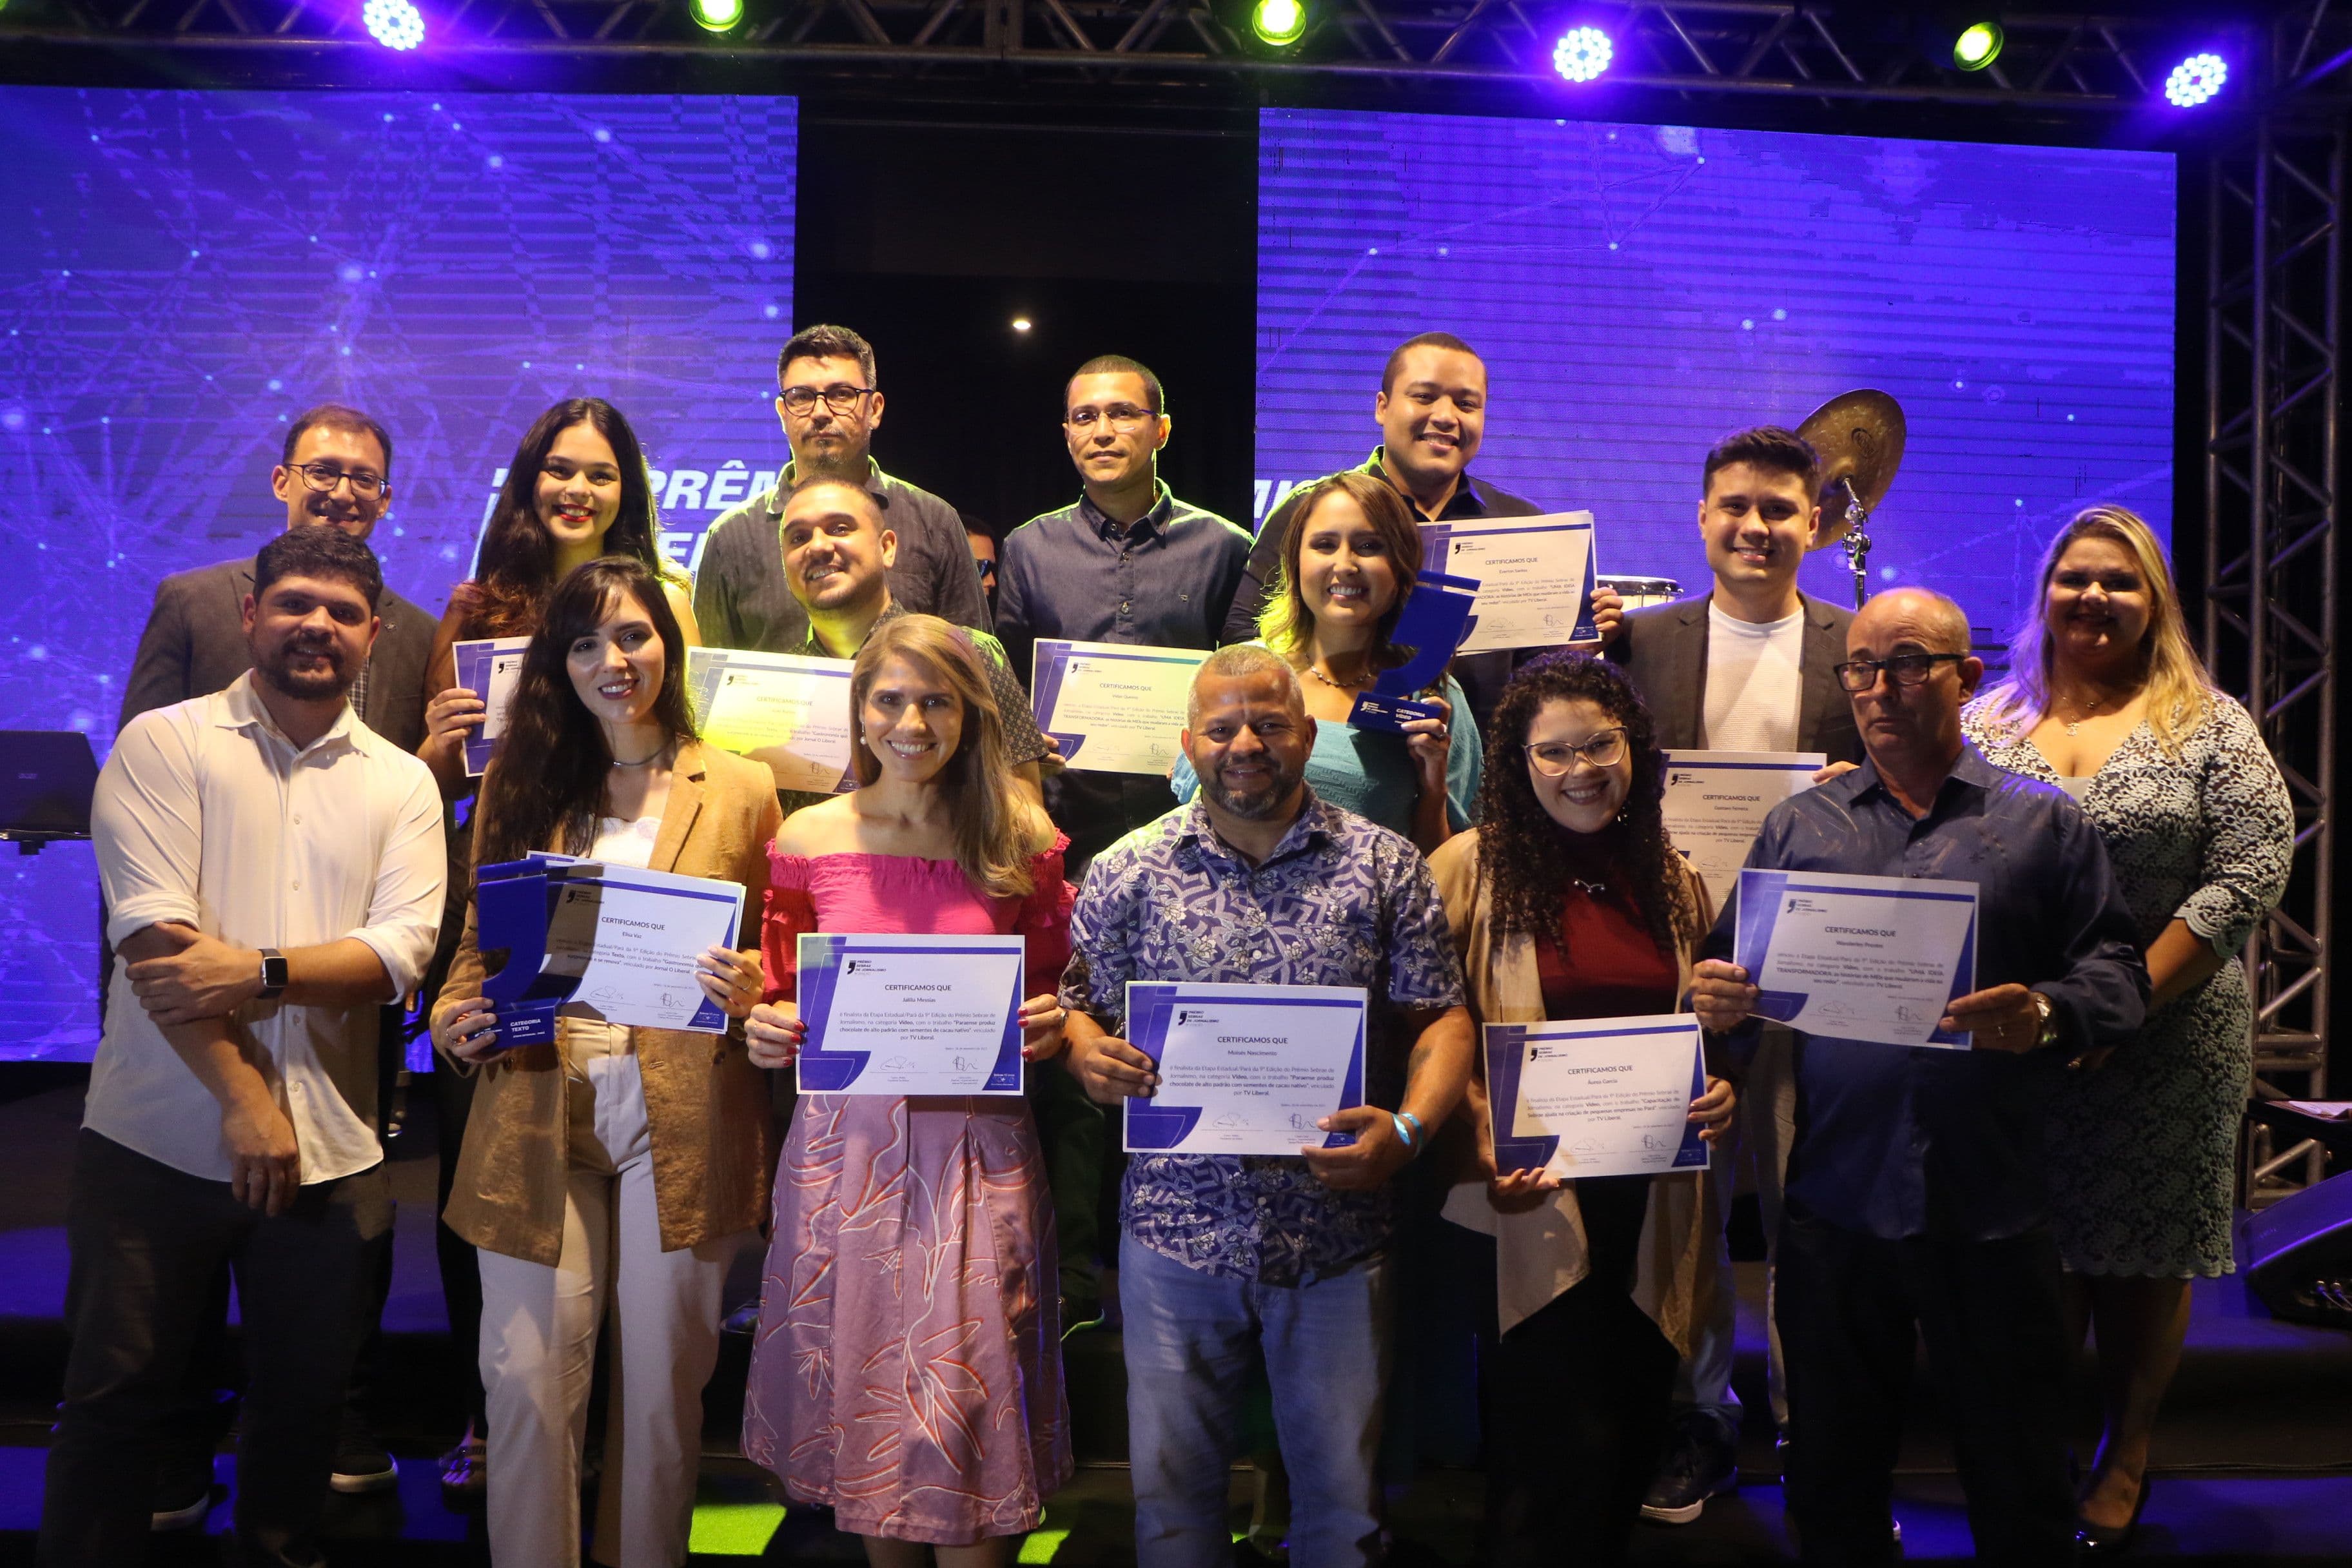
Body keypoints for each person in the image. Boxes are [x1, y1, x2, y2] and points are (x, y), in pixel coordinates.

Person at [1689, 587, 2148, 1565]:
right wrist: (1719, 1012)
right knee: (1832, 1483)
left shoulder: (2043, 827)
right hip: (1835, 1208)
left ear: (1965, 678)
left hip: (1991, 1204)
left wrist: (2044, 1015)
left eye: (1906, 663)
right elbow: (1728, 991)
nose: (1880, 688)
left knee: (2020, 1481)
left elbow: (2119, 977)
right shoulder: (1798, 829)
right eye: (1861, 666)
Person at [44, 525, 444, 1568]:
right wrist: (245, 1101)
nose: (317, 624)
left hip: (336, 1151)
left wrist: (258, 968)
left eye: (343, 611)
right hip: (153, 1145)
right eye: (296, 602)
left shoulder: (402, 783)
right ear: (249, 614)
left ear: (374, 633)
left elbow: (398, 952)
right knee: (115, 1399)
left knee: (301, 1413)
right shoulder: (162, 744)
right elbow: (156, 942)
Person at [1062, 645, 1476, 1568]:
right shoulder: (1126, 871)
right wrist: (1090, 1057)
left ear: (1307, 735)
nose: (1246, 743)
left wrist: (1407, 1134)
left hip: (1336, 1234)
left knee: (1343, 1516)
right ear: (1188, 744)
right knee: (1172, 1513)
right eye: (1222, 728)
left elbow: (1443, 1018)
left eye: (1270, 724)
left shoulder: (1384, 866)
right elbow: (1078, 1010)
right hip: (1174, 1235)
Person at [429, 556, 776, 1568]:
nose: (612, 660)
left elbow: (777, 950)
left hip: (684, 1104)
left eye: (632, 636)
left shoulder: (745, 787)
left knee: (665, 1400)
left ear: (669, 646)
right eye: (585, 642)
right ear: (559, 662)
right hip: (537, 1096)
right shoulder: (521, 784)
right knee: (530, 1391)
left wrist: (754, 981)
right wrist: (456, 1017)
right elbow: (472, 954)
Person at [1962, 505, 2293, 1553]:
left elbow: (2247, 872)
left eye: (2118, 581)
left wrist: (2117, 1004)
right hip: (2015, 1043)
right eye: (2073, 578)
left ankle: (2125, 1448)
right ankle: (2041, 1440)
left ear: (2154, 602)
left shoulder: (2207, 722)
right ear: (2043, 592)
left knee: (2140, 1262)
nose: (2092, 598)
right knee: (2034, 1255)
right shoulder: (1984, 721)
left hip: (2166, 1038)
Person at [738, 612, 1076, 1564]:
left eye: (936, 700)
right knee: (872, 1412)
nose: (912, 722)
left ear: (970, 715)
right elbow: (778, 996)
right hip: (847, 1160)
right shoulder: (807, 836)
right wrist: (765, 1030)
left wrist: (1050, 1023)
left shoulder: (1022, 834)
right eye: (890, 700)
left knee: (973, 1407)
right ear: (860, 712)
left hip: (977, 1157)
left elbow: (1052, 986)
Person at [415, 395, 700, 1499]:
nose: (577, 489)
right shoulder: (474, 607)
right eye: (558, 470)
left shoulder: (667, 603)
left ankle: (615, 1447)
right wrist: (441, 752)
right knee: (489, 1168)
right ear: (528, 482)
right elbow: (435, 782)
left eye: (600, 471)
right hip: (508, 893)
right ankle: (497, 1422)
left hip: (638, 923)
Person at [1605, 424, 1863, 1524]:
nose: (1753, 527)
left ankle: (1819, 1430)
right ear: (1702, 516)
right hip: (1673, 976)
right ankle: (1696, 1418)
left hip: (1814, 983)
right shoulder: (1639, 642)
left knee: (1814, 1212)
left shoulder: (1860, 644)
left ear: (1815, 523)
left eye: (1776, 509)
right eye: (1733, 507)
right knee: (1684, 1219)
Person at [1428, 652, 1736, 1566]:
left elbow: (1698, 1041)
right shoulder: (1467, 869)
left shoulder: (1676, 883)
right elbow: (1423, 1022)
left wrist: (1720, 1090)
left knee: (1632, 1432)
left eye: (1600, 745)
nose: (1582, 770)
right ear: (1518, 766)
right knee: (1550, 1456)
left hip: (1648, 1206)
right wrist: (1474, 1114)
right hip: (1526, 1200)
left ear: (1634, 748)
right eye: (1553, 752)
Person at [1222, 332, 1620, 725]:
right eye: (1425, 397)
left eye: (1466, 403)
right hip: (1344, 754)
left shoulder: (1524, 525)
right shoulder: (1310, 512)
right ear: (1382, 406)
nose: (1446, 417)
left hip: (1486, 768)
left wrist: (1574, 651)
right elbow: (1244, 640)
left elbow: (1534, 681)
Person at [994, 353, 1255, 868]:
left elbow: (1248, 680)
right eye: (1085, 417)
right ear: (1067, 433)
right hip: (1065, 818)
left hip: (1194, 821)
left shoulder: (1224, 547)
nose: (1103, 432)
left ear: (1161, 430)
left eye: (1124, 413)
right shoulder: (1028, 547)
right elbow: (1009, 682)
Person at [1175, 470, 1478, 854]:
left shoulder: (1434, 696)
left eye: (1369, 546)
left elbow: (1442, 870)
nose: (1346, 564)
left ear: (1400, 568)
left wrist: (1432, 786)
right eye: (1325, 544)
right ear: (1295, 562)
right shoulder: (1241, 673)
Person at [120, 402, 435, 748]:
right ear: (281, 483)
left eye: (364, 479)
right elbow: (140, 746)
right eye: (322, 471)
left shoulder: (421, 635)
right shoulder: (190, 602)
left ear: (384, 500)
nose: (343, 494)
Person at [695, 322, 990, 652]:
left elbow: (973, 666)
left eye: (841, 395)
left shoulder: (934, 521)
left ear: (874, 409)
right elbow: (706, 684)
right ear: (782, 413)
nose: (821, 412)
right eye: (802, 397)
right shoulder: (731, 537)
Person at [771, 476, 1057, 816]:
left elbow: (1026, 814)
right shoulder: (773, 687)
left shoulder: (970, 654)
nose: (817, 547)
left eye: (840, 528)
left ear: (887, 548)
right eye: (799, 537)